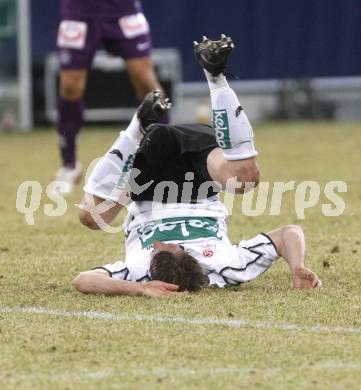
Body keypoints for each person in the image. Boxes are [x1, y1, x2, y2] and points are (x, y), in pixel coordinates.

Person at [74, 35, 322, 297]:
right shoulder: (225, 266)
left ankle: (137, 128)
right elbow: (288, 233)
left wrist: (139, 289)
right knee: (245, 177)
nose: (165, 242)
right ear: (188, 256)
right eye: (172, 246)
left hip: (147, 191)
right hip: (200, 188)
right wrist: (298, 267)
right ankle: (215, 77)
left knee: (91, 216)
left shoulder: (139, 269)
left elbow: (84, 280)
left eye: (158, 246)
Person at [56, 0, 167, 191]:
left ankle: (166, 160)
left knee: (145, 81)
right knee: (70, 85)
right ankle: (69, 165)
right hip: (79, 10)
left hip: (122, 8)